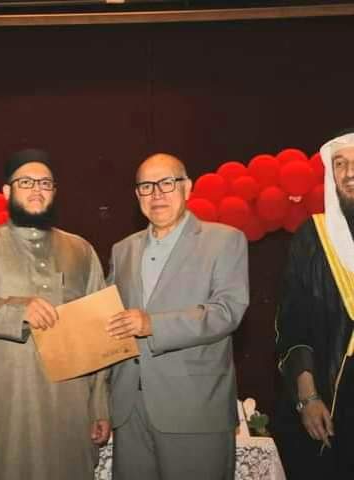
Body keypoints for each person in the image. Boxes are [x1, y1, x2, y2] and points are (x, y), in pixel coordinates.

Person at [0, 148, 110, 480]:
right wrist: (17, 310)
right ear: (7, 191)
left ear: (55, 192)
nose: (37, 190)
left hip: (67, 407)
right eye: (26, 182)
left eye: (45, 183)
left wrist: (99, 405)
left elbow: (98, 333)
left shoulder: (81, 251)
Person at [106, 153, 249, 480]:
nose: (156, 194)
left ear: (187, 187)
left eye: (167, 183)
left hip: (194, 409)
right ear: (137, 195)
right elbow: (110, 318)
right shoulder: (122, 249)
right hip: (129, 410)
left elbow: (227, 311)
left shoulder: (224, 240)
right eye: (146, 186)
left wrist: (152, 325)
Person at [275, 130, 354, 478]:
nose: (349, 173)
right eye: (340, 164)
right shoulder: (313, 237)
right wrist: (307, 397)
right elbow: (294, 325)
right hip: (334, 398)